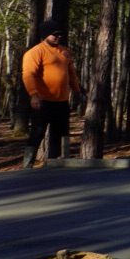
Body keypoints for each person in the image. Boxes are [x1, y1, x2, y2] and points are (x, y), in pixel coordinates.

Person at [22, 20, 82, 169]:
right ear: (45, 35)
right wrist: (34, 95)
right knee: (37, 133)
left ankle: (53, 164)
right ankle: (27, 165)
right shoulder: (35, 52)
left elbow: (71, 74)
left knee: (59, 134)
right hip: (42, 101)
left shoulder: (65, 51)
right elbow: (28, 74)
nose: (58, 36)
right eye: (55, 34)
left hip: (61, 101)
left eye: (60, 34)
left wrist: (77, 91)